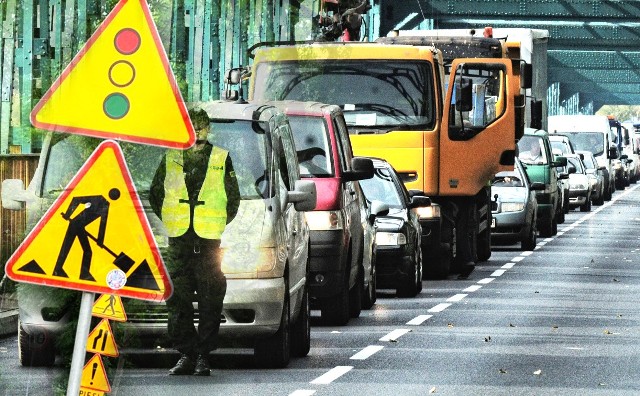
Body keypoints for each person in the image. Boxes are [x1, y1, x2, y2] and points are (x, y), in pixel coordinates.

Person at [150, 107, 240, 376]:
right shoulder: (170, 157)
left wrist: (214, 223)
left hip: (208, 241)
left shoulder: (221, 158)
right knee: (177, 298)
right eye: (192, 125)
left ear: (208, 128)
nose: (197, 131)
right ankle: (186, 353)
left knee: (211, 299)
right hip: (179, 240)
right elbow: (157, 194)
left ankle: (203, 355)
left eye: (201, 126)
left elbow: (232, 199)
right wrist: (173, 219)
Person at [53, 188, 121, 281]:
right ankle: (62, 271)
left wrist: (100, 240)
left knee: (78, 249)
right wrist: (68, 214)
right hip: (75, 224)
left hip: (79, 226)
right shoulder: (99, 199)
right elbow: (76, 199)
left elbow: (102, 224)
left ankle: (75, 273)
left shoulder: (105, 204)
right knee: (69, 248)